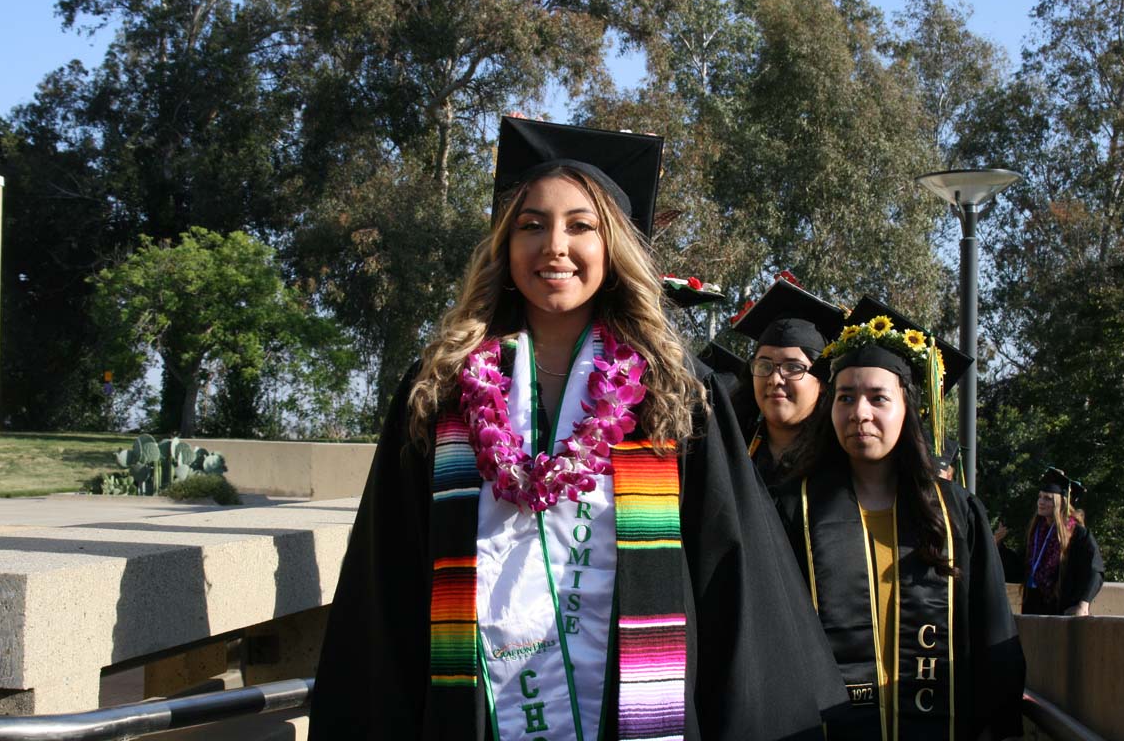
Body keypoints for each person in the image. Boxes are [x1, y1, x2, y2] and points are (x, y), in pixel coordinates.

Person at [308, 116, 846, 739]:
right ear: (505, 248)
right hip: (474, 710)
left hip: (634, 709)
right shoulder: (442, 387)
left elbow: (726, 572)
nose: (554, 246)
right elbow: (389, 571)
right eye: (531, 225)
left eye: (580, 226)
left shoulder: (673, 392)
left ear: (612, 248)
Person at [774, 297, 1026, 740]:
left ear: (907, 408)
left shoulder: (955, 513)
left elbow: (992, 637)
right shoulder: (794, 509)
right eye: (846, 397)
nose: (860, 413)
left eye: (878, 398)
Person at [727, 276, 846, 489]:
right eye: (764, 366)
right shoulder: (730, 453)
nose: (774, 379)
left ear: (822, 381)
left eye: (793, 367)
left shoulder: (842, 459)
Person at [1016, 467, 1104, 616]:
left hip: (1061, 608)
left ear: (1061, 503)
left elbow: (1094, 570)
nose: (1040, 502)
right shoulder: (1035, 533)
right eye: (1040, 497)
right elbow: (1019, 567)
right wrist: (997, 546)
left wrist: (1083, 604)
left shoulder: (1077, 534)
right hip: (1033, 607)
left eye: (1048, 498)